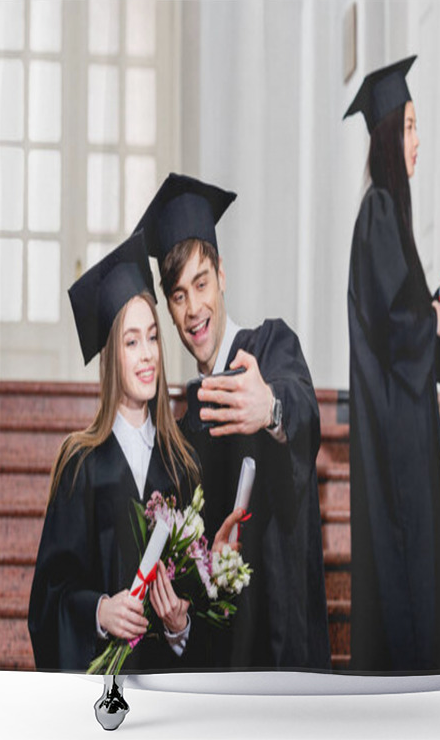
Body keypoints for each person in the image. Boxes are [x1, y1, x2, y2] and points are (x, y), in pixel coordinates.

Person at [133, 174, 331, 670]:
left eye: (201, 284)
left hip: (283, 637)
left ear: (222, 275)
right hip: (223, 660)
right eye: (178, 296)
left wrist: (270, 410)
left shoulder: (267, 348)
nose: (194, 308)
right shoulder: (180, 432)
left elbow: (302, 409)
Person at [28, 231, 234, 672]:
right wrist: (100, 613)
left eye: (154, 337)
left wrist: (181, 627)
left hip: (168, 699)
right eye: (131, 341)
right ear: (110, 358)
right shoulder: (80, 463)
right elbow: (48, 599)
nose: (147, 356)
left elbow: (209, 610)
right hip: (104, 699)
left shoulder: (184, 464)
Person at [344, 56, 440, 671]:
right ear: (391, 134)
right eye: (411, 127)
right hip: (396, 434)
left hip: (403, 422)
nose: (418, 140)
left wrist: (437, 305)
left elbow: (404, 314)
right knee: (407, 560)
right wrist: (433, 319)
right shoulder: (381, 213)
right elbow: (397, 326)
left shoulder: (390, 214)